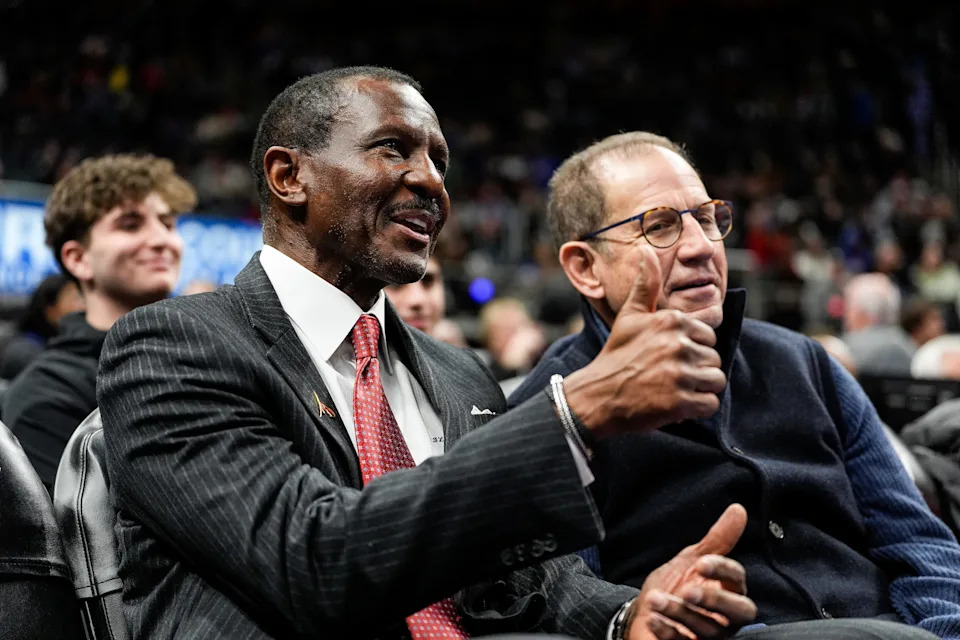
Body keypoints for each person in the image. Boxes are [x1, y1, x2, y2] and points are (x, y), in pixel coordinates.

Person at [97, 67, 759, 640]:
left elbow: (523, 578)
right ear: (288, 175)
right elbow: (311, 563)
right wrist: (572, 412)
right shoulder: (172, 346)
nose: (431, 183)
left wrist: (632, 616)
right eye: (394, 149)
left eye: (440, 161)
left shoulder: (456, 371)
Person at [510, 131, 960, 639]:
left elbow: (923, 549)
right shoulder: (554, 412)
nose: (702, 247)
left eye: (707, 219)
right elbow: (572, 594)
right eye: (660, 227)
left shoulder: (809, 363)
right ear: (585, 268)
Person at [3, 154, 193, 490]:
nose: (162, 240)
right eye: (130, 224)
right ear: (78, 260)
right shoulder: (46, 396)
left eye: (167, 223)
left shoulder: (208, 357)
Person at [0, 273, 83, 380]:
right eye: (76, 299)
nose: (82, 306)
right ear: (50, 309)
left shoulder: (70, 345)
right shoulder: (23, 352)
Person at [841, 273, 916, 376]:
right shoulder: (907, 344)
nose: (844, 314)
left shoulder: (845, 351)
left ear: (862, 313)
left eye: (849, 308)